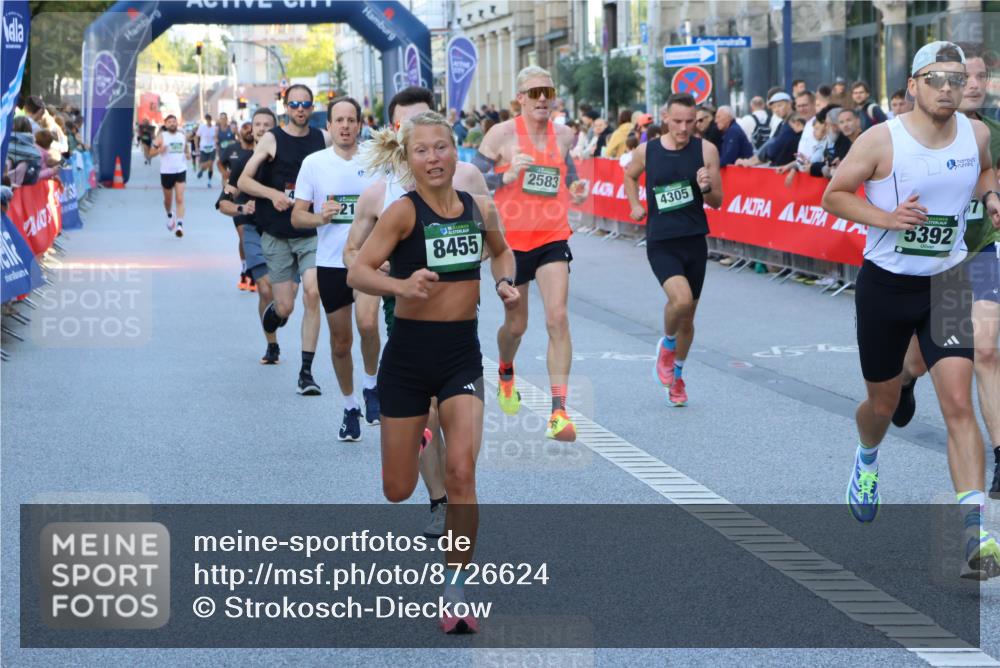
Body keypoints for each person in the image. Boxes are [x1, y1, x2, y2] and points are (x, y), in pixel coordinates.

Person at [821, 42, 1000, 578]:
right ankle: (867, 458)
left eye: (955, 77)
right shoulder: (883, 139)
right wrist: (887, 217)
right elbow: (834, 195)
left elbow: (986, 173)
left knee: (957, 403)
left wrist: (990, 199)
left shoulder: (978, 134)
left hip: (946, 283)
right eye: (935, 78)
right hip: (887, 286)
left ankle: (975, 528)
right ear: (913, 85)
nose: (947, 87)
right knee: (882, 405)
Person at [347, 110, 518, 634]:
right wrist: (400, 287)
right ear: (408, 158)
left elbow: (502, 251)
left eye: (441, 147)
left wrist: (505, 282)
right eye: (421, 150)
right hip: (408, 360)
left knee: (463, 474)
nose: (433, 158)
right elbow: (357, 269)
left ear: (455, 150)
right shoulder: (402, 212)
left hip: (461, 356)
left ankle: (455, 592)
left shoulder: (479, 208)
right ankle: (420, 435)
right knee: (397, 489)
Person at [345, 86, 490, 537]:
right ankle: (429, 480)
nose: (429, 149)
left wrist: (474, 270)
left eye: (433, 134)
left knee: (462, 461)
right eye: (413, 134)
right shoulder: (380, 195)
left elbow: (491, 243)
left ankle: (450, 514)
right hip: (404, 322)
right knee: (409, 450)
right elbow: (355, 254)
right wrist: (397, 278)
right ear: (399, 138)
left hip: (460, 333)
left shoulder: (467, 181)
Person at [892, 42, 1000, 496]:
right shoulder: (913, 132)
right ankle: (905, 380)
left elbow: (990, 172)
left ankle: (999, 457)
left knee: (987, 349)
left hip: (980, 252)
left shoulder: (990, 132)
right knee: (918, 357)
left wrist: (991, 196)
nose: (968, 85)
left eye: (975, 77)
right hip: (929, 259)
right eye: (960, 77)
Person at [475, 66, 589, 440]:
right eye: (534, 92)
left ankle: (559, 412)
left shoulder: (564, 134)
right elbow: (471, 182)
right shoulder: (500, 134)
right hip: (511, 242)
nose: (542, 98)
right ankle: (506, 369)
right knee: (517, 325)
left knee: (557, 318)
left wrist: (576, 185)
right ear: (519, 98)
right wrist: (502, 177)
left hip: (552, 236)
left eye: (548, 91)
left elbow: (566, 170)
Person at [624, 93, 723, 406]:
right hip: (662, 240)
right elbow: (629, 175)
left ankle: (677, 377)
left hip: (694, 239)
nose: (684, 128)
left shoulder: (706, 149)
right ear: (665, 117)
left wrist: (706, 187)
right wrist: (635, 204)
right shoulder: (648, 150)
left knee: (688, 319)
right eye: (678, 121)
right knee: (678, 300)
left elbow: (717, 200)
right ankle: (666, 347)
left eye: (690, 122)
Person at [291, 96, 379, 441]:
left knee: (368, 322)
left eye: (351, 120)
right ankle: (349, 406)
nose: (345, 126)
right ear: (328, 126)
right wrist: (319, 216)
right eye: (338, 120)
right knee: (341, 343)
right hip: (330, 262)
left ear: (360, 125)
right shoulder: (314, 163)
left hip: (369, 259)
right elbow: (298, 216)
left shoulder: (376, 160)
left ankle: (372, 384)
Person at [238, 84, 330, 396]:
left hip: (310, 231)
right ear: (285, 107)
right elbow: (244, 180)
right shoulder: (272, 138)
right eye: (294, 104)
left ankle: (306, 372)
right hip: (277, 233)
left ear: (312, 106)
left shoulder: (323, 139)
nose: (300, 109)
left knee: (313, 292)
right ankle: (274, 315)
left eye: (305, 104)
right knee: (286, 307)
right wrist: (273, 194)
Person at [216, 108, 283, 364]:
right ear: (251, 128)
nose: (263, 129)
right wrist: (242, 208)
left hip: (281, 231)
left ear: (276, 129)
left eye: (268, 124)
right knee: (265, 289)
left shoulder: (284, 161)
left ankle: (281, 312)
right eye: (258, 124)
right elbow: (223, 204)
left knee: (282, 297)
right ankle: (272, 344)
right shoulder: (243, 162)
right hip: (253, 229)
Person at [219, 121, 256, 291]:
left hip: (259, 199)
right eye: (245, 128)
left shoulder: (263, 153)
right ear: (240, 132)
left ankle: (255, 267)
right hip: (239, 199)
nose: (249, 130)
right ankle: (246, 269)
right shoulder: (233, 150)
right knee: (244, 236)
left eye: (251, 128)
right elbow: (221, 162)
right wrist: (225, 174)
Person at [151, 114, 189, 238]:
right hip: (166, 172)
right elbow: (150, 153)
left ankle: (180, 225)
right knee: (168, 201)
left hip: (180, 170)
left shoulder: (182, 136)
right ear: (166, 124)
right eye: (170, 122)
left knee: (179, 198)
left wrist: (188, 155)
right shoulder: (161, 137)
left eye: (174, 121)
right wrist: (159, 151)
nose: (172, 123)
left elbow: (186, 150)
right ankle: (170, 215)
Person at [215, 112, 236, 185]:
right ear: (219, 119)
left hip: (233, 154)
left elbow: (240, 138)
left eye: (224, 118)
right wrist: (217, 154)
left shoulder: (232, 128)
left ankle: (232, 189)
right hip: (223, 154)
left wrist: (233, 142)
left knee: (233, 174)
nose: (222, 120)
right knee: (224, 175)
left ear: (227, 119)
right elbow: (216, 141)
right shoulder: (217, 130)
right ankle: (225, 191)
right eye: (221, 118)